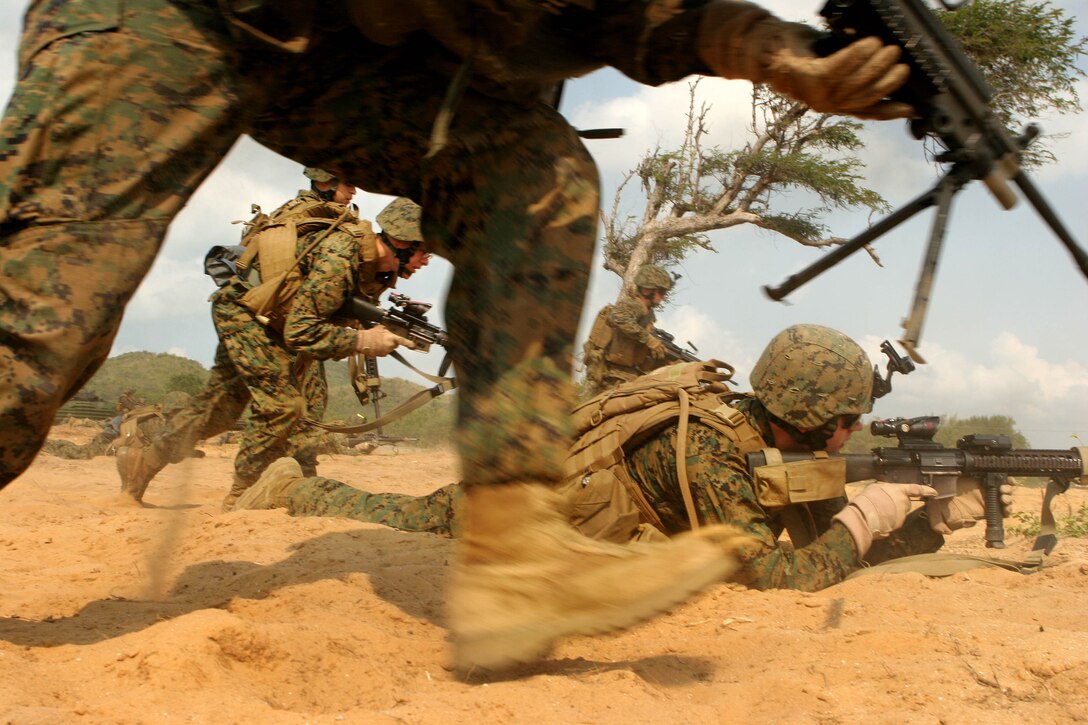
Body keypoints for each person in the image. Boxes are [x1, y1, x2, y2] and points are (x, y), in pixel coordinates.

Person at [0, 0, 914, 672]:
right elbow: (307, 318)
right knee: (39, 342)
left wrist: (775, 53)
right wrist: (355, 343)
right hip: (175, 12)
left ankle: (513, 564)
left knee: (538, 174)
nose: (409, 267)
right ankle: (251, 473)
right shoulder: (334, 256)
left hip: (351, 46)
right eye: (407, 256)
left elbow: (639, 17)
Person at [235, 325, 1013, 592]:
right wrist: (869, 512)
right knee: (399, 516)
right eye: (845, 419)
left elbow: (827, 542)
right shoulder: (714, 447)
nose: (851, 435)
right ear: (810, 414)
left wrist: (928, 521)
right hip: (525, 503)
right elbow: (782, 575)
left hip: (565, 495)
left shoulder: (772, 440)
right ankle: (290, 487)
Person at [115, 176, 431, 509]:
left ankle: (143, 467)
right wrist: (364, 340)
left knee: (243, 409)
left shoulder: (373, 269)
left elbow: (322, 323)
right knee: (278, 406)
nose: (426, 261)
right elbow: (302, 332)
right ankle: (243, 495)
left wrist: (380, 333)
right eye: (425, 251)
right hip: (246, 313)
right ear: (401, 239)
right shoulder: (342, 254)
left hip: (273, 320)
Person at [582, 264, 676, 397]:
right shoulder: (634, 304)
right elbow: (618, 317)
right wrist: (649, 339)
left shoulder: (646, 313)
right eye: (661, 292)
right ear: (647, 290)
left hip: (628, 375)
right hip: (613, 375)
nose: (663, 297)